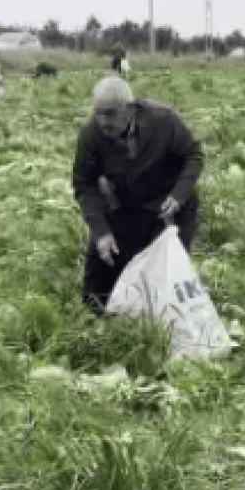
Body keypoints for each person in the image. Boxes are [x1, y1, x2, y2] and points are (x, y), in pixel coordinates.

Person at [71, 76, 204, 314]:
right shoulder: (91, 134)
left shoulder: (162, 120)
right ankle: (99, 324)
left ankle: (172, 324)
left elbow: (193, 155)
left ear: (130, 109)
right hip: (128, 203)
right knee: (100, 282)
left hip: (170, 203)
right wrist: (100, 232)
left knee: (168, 273)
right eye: (98, 114)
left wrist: (179, 194)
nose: (103, 122)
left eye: (110, 113)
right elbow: (84, 184)